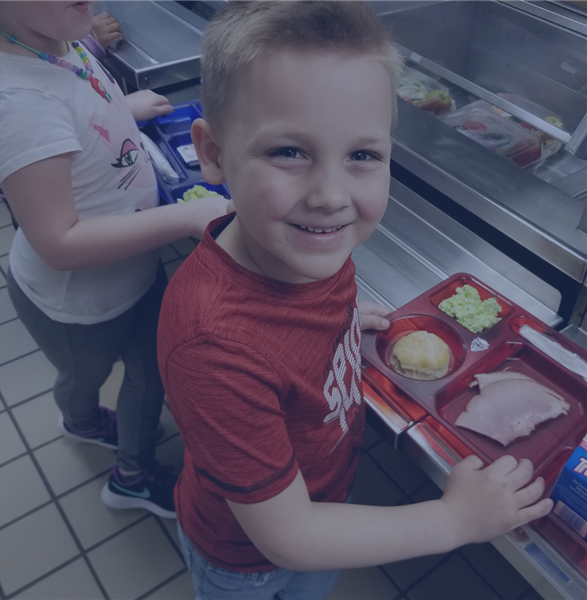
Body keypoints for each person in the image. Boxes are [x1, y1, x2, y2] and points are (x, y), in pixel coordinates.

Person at [157, 0, 554, 597]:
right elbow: (288, 537)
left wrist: (341, 321)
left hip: (325, 501)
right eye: (288, 151)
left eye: (362, 155)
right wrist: (452, 520)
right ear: (213, 154)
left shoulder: (301, 245)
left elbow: (289, 328)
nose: (330, 195)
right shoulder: (214, 345)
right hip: (248, 560)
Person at [0, 0, 230, 519]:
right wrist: (188, 219)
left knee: (152, 373)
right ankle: (94, 436)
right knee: (84, 379)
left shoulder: (52, 36)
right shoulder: (15, 104)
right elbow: (59, 242)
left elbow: (75, 102)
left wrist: (123, 107)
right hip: (78, 307)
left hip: (133, 272)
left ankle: (131, 467)